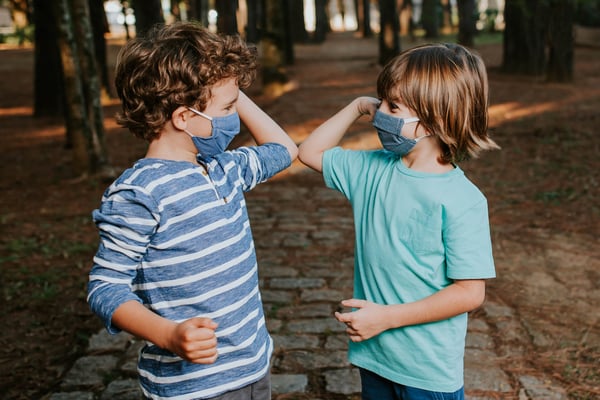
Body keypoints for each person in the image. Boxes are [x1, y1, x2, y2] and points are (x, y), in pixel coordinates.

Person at [87, 21, 297, 400]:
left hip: (253, 367)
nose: (234, 118)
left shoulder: (224, 169)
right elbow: (105, 287)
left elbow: (283, 149)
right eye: (229, 109)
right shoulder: (140, 192)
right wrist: (167, 334)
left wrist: (228, 86)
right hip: (194, 387)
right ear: (183, 117)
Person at [298, 43, 499, 399]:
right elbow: (310, 152)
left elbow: (470, 292)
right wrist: (357, 106)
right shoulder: (371, 170)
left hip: (427, 370)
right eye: (379, 104)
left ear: (434, 118)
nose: (379, 116)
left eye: (392, 107)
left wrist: (388, 318)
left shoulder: (463, 200)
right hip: (375, 357)